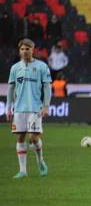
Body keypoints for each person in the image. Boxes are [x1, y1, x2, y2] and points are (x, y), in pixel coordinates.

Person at [6, 39, 52, 178]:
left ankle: (40, 160)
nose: (25, 51)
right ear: (19, 51)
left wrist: (46, 105)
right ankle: (23, 171)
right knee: (20, 138)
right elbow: (11, 88)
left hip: (35, 108)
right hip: (19, 109)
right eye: (22, 49)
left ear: (33, 50)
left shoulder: (42, 67)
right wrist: (9, 107)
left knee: (33, 136)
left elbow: (47, 87)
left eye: (27, 49)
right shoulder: (15, 68)